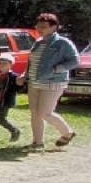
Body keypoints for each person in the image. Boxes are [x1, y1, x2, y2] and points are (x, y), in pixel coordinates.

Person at [24, 12, 80, 150]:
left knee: (45, 113)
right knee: (35, 113)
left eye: (43, 26)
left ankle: (67, 132)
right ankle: (37, 143)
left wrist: (57, 69)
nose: (40, 28)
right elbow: (33, 61)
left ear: (54, 27)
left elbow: (75, 61)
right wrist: (24, 75)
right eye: (38, 25)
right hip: (34, 82)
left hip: (53, 82)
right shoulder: (38, 42)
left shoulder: (63, 42)